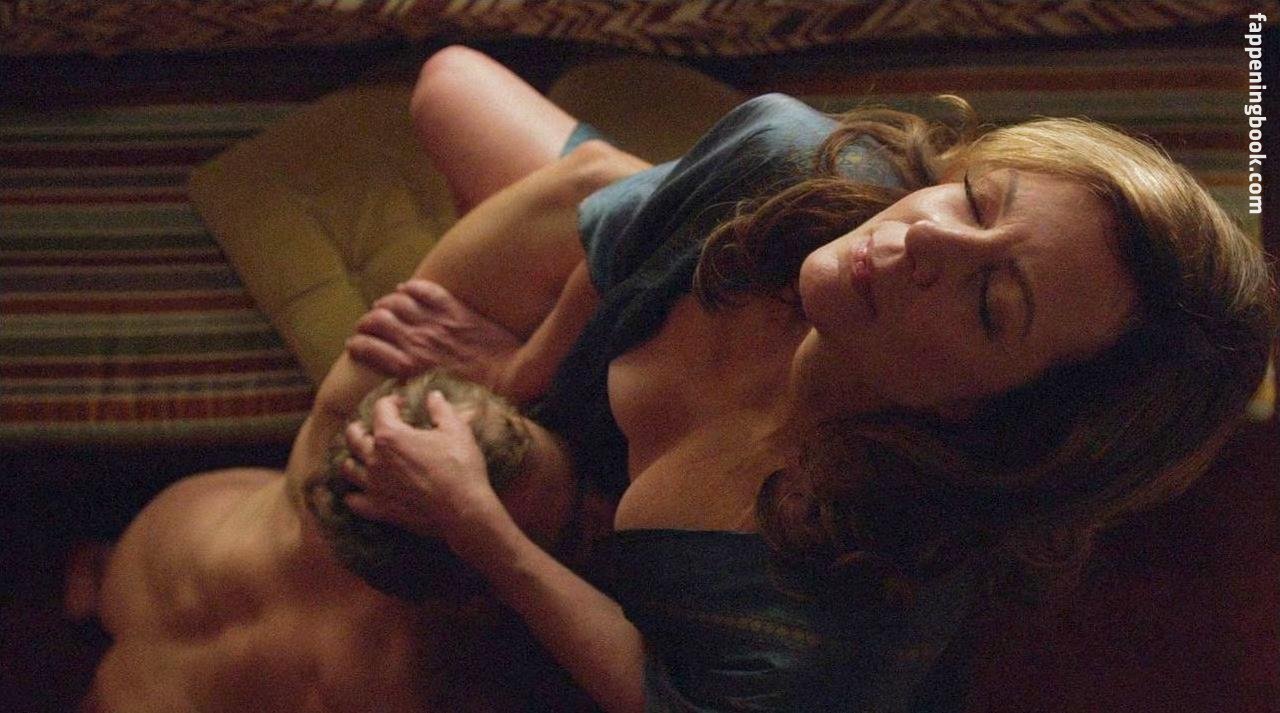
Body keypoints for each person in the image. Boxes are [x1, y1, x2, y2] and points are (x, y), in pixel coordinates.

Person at [329, 46, 1278, 712]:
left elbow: (663, 693)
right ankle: (644, 161)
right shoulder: (786, 159)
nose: (925, 236)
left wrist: (487, 534)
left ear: (997, 416)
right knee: (452, 84)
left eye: (993, 301)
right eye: (979, 198)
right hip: (737, 208)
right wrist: (521, 366)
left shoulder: (843, 616)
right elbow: (621, 243)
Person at [78, 368, 582, 713]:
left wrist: (526, 360)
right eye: (572, 525)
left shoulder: (333, 425)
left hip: (142, 570)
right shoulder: (405, 691)